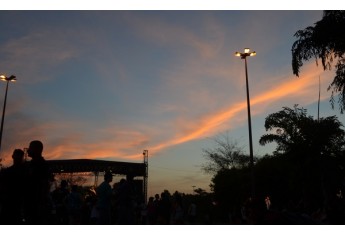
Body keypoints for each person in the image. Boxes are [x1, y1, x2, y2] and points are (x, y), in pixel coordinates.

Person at [23, 140, 53, 224]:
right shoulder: (31, 165)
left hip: (36, 205)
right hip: (31, 204)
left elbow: (44, 185)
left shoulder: (42, 165)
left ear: (37, 149)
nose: (28, 150)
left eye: (30, 148)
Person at [0, 149, 26, 224]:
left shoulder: (6, 172)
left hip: (10, 205)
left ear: (12, 157)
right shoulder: (25, 172)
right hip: (16, 205)